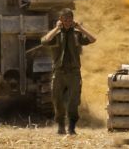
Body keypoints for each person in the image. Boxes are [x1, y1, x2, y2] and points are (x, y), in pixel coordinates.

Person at [40, 7, 97, 135]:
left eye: (69, 19)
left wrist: (80, 28)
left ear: (72, 20)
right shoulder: (56, 35)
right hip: (59, 73)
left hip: (73, 73)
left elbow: (93, 39)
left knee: (73, 101)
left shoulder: (76, 34)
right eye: (65, 19)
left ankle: (71, 127)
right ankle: (60, 126)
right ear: (60, 20)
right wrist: (56, 29)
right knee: (57, 100)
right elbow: (44, 41)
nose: (67, 22)